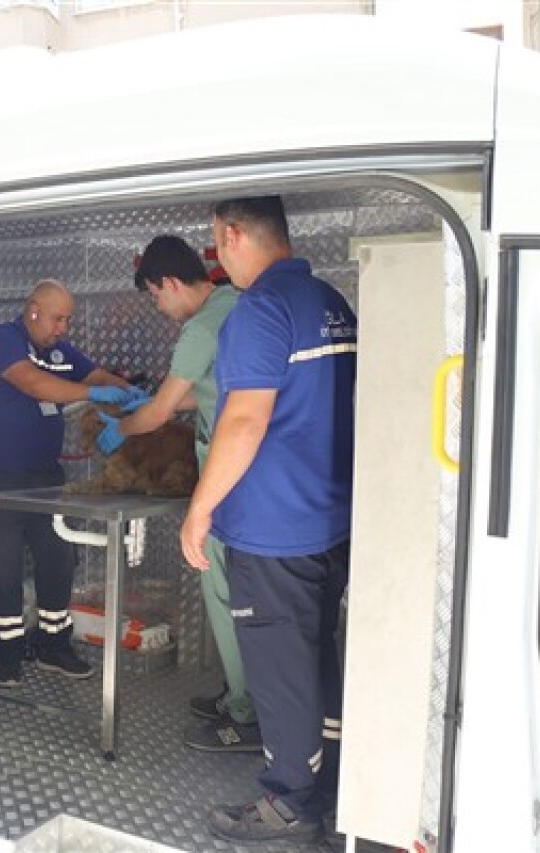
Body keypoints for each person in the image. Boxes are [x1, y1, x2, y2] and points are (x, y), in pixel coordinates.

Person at [179, 197, 356, 845]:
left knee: (281, 672)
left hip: (274, 528)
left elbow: (245, 419)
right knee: (315, 656)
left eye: (216, 242)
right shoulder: (330, 301)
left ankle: (289, 800)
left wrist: (200, 507)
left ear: (232, 235)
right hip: (329, 519)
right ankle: (329, 778)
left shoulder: (261, 308)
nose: (219, 256)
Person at [93, 235, 259, 754]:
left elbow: (161, 414)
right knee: (249, 598)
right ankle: (242, 694)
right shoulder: (236, 303)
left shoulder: (199, 328)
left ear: (168, 283)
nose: (159, 307)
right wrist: (151, 399)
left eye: (155, 296)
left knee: (225, 595)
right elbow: (209, 390)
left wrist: (124, 424)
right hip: (257, 478)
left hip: (227, 483)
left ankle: (247, 712)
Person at [0, 278, 146, 689]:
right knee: (2, 569)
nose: (63, 328)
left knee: (59, 559)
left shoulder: (60, 352)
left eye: (67, 320)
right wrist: (95, 393)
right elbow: (34, 383)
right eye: (57, 319)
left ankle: (53, 645)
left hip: (44, 478)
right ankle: (6, 654)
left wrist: (133, 394)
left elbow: (97, 374)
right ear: (33, 310)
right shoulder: (3, 340)